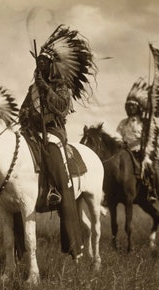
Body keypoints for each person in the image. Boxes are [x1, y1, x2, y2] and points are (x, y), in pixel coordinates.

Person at [19, 25, 96, 259]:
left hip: (53, 134)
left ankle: (57, 194)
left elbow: (62, 108)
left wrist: (47, 90)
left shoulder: (60, 86)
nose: (39, 66)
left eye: (44, 63)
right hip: (31, 133)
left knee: (55, 160)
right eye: (38, 63)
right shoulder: (33, 88)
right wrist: (24, 121)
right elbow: (23, 110)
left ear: (51, 65)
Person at [117, 78, 158, 201]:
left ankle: (151, 191)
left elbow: (151, 139)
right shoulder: (123, 123)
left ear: (138, 108)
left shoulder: (145, 123)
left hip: (140, 153)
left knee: (148, 167)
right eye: (127, 106)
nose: (129, 108)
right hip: (125, 152)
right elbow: (118, 136)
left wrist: (145, 151)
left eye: (131, 106)